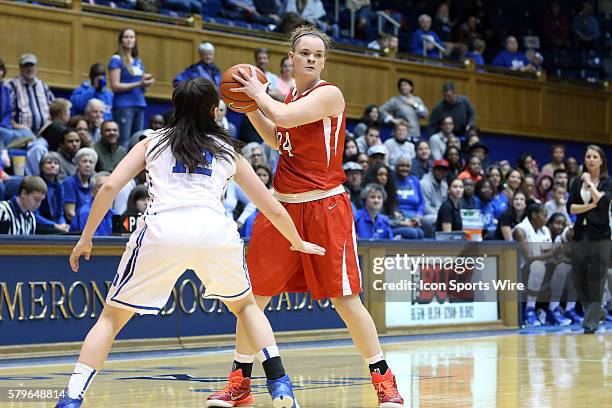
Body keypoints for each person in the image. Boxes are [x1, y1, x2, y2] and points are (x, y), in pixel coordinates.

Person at [54, 78, 323, 408]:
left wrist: (86, 238)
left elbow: (109, 187)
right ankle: (280, 384)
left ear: (174, 108)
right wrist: (297, 241)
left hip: (162, 230)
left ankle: (72, 397)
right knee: (247, 307)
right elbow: (270, 205)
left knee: (110, 319)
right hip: (214, 231)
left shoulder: (151, 143)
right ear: (214, 110)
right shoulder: (228, 151)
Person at [217, 25, 404, 407]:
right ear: (292, 56)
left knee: (346, 301)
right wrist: (251, 105)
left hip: (324, 207)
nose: (312, 59)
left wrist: (257, 93)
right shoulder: (289, 95)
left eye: (318, 55)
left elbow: (284, 119)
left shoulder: (328, 94)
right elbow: (276, 137)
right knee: (253, 298)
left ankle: (384, 382)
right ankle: (240, 382)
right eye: (305, 53)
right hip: (282, 206)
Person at [567, 145, 612, 334]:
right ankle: (597, 312)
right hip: (580, 233)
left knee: (597, 278)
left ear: (601, 160)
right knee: (578, 277)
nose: (591, 160)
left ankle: (590, 323)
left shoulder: (607, 182)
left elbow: (603, 204)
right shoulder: (577, 182)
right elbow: (571, 208)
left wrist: (591, 185)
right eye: (588, 156)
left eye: (595, 157)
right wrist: (592, 204)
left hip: (600, 236)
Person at [109, 28, 154, 148]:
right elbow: (115, 86)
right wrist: (139, 83)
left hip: (139, 103)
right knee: (124, 142)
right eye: (126, 37)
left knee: (136, 142)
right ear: (121, 40)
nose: (129, 40)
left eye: (132, 37)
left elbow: (141, 87)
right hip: (124, 105)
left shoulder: (138, 61)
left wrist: (146, 83)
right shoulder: (116, 59)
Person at [512, 203, 555, 327]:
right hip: (519, 270)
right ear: (534, 215)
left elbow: (548, 252)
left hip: (540, 265)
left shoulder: (545, 229)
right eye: (544, 215)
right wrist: (554, 253)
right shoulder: (520, 230)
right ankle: (529, 310)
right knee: (538, 266)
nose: (547, 219)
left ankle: (555, 310)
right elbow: (529, 257)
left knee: (566, 268)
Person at [6, 53, 55, 134]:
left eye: (31, 65)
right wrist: (15, 125)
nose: (29, 69)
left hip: (44, 130)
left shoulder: (42, 86)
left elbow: (53, 107)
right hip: (20, 131)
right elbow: (6, 113)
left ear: (36, 67)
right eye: (26, 66)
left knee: (61, 132)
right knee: (38, 146)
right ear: (20, 68)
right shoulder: (11, 86)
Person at [0, 58, 35, 146]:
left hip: (4, 126)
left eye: (0, 69)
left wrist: (5, 125)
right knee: (8, 134)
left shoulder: (5, 90)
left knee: (27, 134)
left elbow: (8, 113)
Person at [69, 172, 114, 236]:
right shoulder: (85, 213)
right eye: (100, 186)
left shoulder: (114, 213)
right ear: (92, 191)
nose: (105, 190)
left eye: (108, 187)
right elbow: (93, 242)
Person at [36, 152, 69, 233]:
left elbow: (60, 213)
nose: (53, 165)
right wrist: (55, 225)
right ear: (42, 167)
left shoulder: (59, 186)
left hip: (55, 225)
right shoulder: (36, 184)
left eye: (56, 163)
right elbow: (34, 214)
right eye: (49, 162)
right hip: (40, 225)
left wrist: (63, 224)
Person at [393, 156, 425, 239]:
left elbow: (422, 202)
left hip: (414, 217)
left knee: (421, 233)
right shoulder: (391, 181)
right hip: (399, 218)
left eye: (407, 166)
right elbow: (389, 203)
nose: (405, 168)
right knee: (414, 233)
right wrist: (403, 219)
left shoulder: (414, 180)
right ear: (396, 167)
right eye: (402, 165)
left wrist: (418, 216)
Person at [63, 148, 98, 224]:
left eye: (91, 162)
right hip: (76, 227)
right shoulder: (69, 182)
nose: (87, 165)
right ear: (77, 164)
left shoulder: (94, 184)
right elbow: (69, 213)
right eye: (84, 161)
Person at [420, 159, 449, 234]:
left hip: (439, 214)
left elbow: (445, 205)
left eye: (444, 170)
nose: (441, 172)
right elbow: (425, 207)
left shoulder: (444, 185)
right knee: (438, 220)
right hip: (426, 215)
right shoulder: (424, 183)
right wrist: (440, 215)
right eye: (439, 169)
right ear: (433, 170)